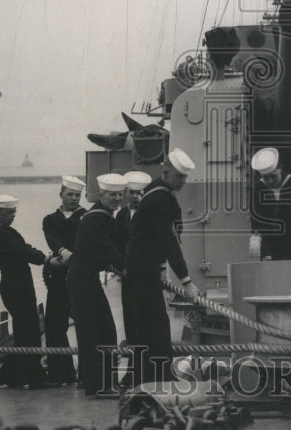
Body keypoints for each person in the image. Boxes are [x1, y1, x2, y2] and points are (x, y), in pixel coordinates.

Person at [125, 148, 200, 384]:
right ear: (166, 171)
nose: (183, 181)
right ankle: (159, 378)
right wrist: (186, 281)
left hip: (140, 269)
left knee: (149, 325)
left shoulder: (157, 192)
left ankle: (147, 377)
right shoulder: (160, 198)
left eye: (185, 177)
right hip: (143, 271)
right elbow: (168, 242)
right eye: (179, 177)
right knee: (156, 325)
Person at [67, 173, 126, 395]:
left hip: (84, 277)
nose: (117, 198)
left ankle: (89, 380)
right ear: (102, 194)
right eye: (112, 194)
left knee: (92, 331)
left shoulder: (95, 215)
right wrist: (126, 266)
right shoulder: (98, 218)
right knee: (101, 332)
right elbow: (109, 249)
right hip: (83, 280)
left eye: (120, 194)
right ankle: (98, 386)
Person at [0, 195, 48, 389]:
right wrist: (44, 258)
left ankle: (12, 375)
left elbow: (23, 248)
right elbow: (23, 251)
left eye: (14, 212)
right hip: (15, 286)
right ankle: (33, 377)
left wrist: (37, 254)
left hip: (18, 284)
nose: (13, 216)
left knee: (24, 331)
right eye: (9, 212)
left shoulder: (3, 230)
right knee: (29, 332)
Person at [40, 175, 87, 384]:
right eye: (70, 194)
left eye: (77, 195)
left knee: (86, 323)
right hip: (59, 278)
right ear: (61, 194)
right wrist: (61, 251)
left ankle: (88, 372)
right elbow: (52, 238)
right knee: (54, 324)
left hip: (82, 276)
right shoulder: (50, 219)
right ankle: (61, 372)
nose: (74, 199)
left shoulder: (86, 216)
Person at [249, 147, 291, 261]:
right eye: (266, 178)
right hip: (272, 248)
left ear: (280, 168)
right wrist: (265, 253)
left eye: (273, 176)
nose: (270, 181)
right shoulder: (258, 189)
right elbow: (257, 223)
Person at [115, 170, 152, 343]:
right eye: (132, 193)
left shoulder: (151, 215)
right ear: (126, 194)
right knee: (128, 312)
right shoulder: (121, 215)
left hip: (145, 273)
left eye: (140, 193)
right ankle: (132, 346)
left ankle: (144, 347)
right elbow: (116, 243)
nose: (136, 197)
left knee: (145, 314)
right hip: (127, 273)